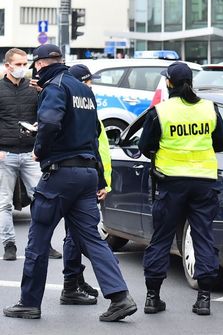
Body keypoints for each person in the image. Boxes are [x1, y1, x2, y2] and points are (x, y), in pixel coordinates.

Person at [4, 44, 136, 322]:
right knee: (92, 238)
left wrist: (39, 148)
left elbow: (50, 122)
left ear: (40, 65)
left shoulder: (55, 88)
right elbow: (92, 135)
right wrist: (99, 177)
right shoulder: (84, 90)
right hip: (87, 173)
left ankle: (29, 303)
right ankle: (120, 297)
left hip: (61, 173)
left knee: (38, 238)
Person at [137, 62, 223, 316]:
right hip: (203, 182)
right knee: (202, 237)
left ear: (169, 83)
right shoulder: (209, 108)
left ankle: (152, 297)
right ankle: (204, 298)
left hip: (171, 182)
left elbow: (145, 146)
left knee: (161, 238)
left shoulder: (161, 111)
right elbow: (221, 142)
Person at [60, 64, 113, 306]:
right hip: (86, 179)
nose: (90, 87)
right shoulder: (79, 111)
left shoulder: (87, 109)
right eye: (87, 82)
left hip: (92, 178)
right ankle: (72, 283)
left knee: (77, 235)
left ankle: (75, 281)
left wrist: (103, 181)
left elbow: (100, 149)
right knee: (78, 236)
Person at [0, 48, 61, 261]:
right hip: (5, 153)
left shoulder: (33, 88)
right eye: (18, 64)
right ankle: (9, 245)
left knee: (41, 199)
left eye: (25, 64)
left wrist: (42, 92)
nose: (23, 68)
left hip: (30, 153)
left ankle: (44, 244)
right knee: (4, 202)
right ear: (8, 66)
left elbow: (46, 115)